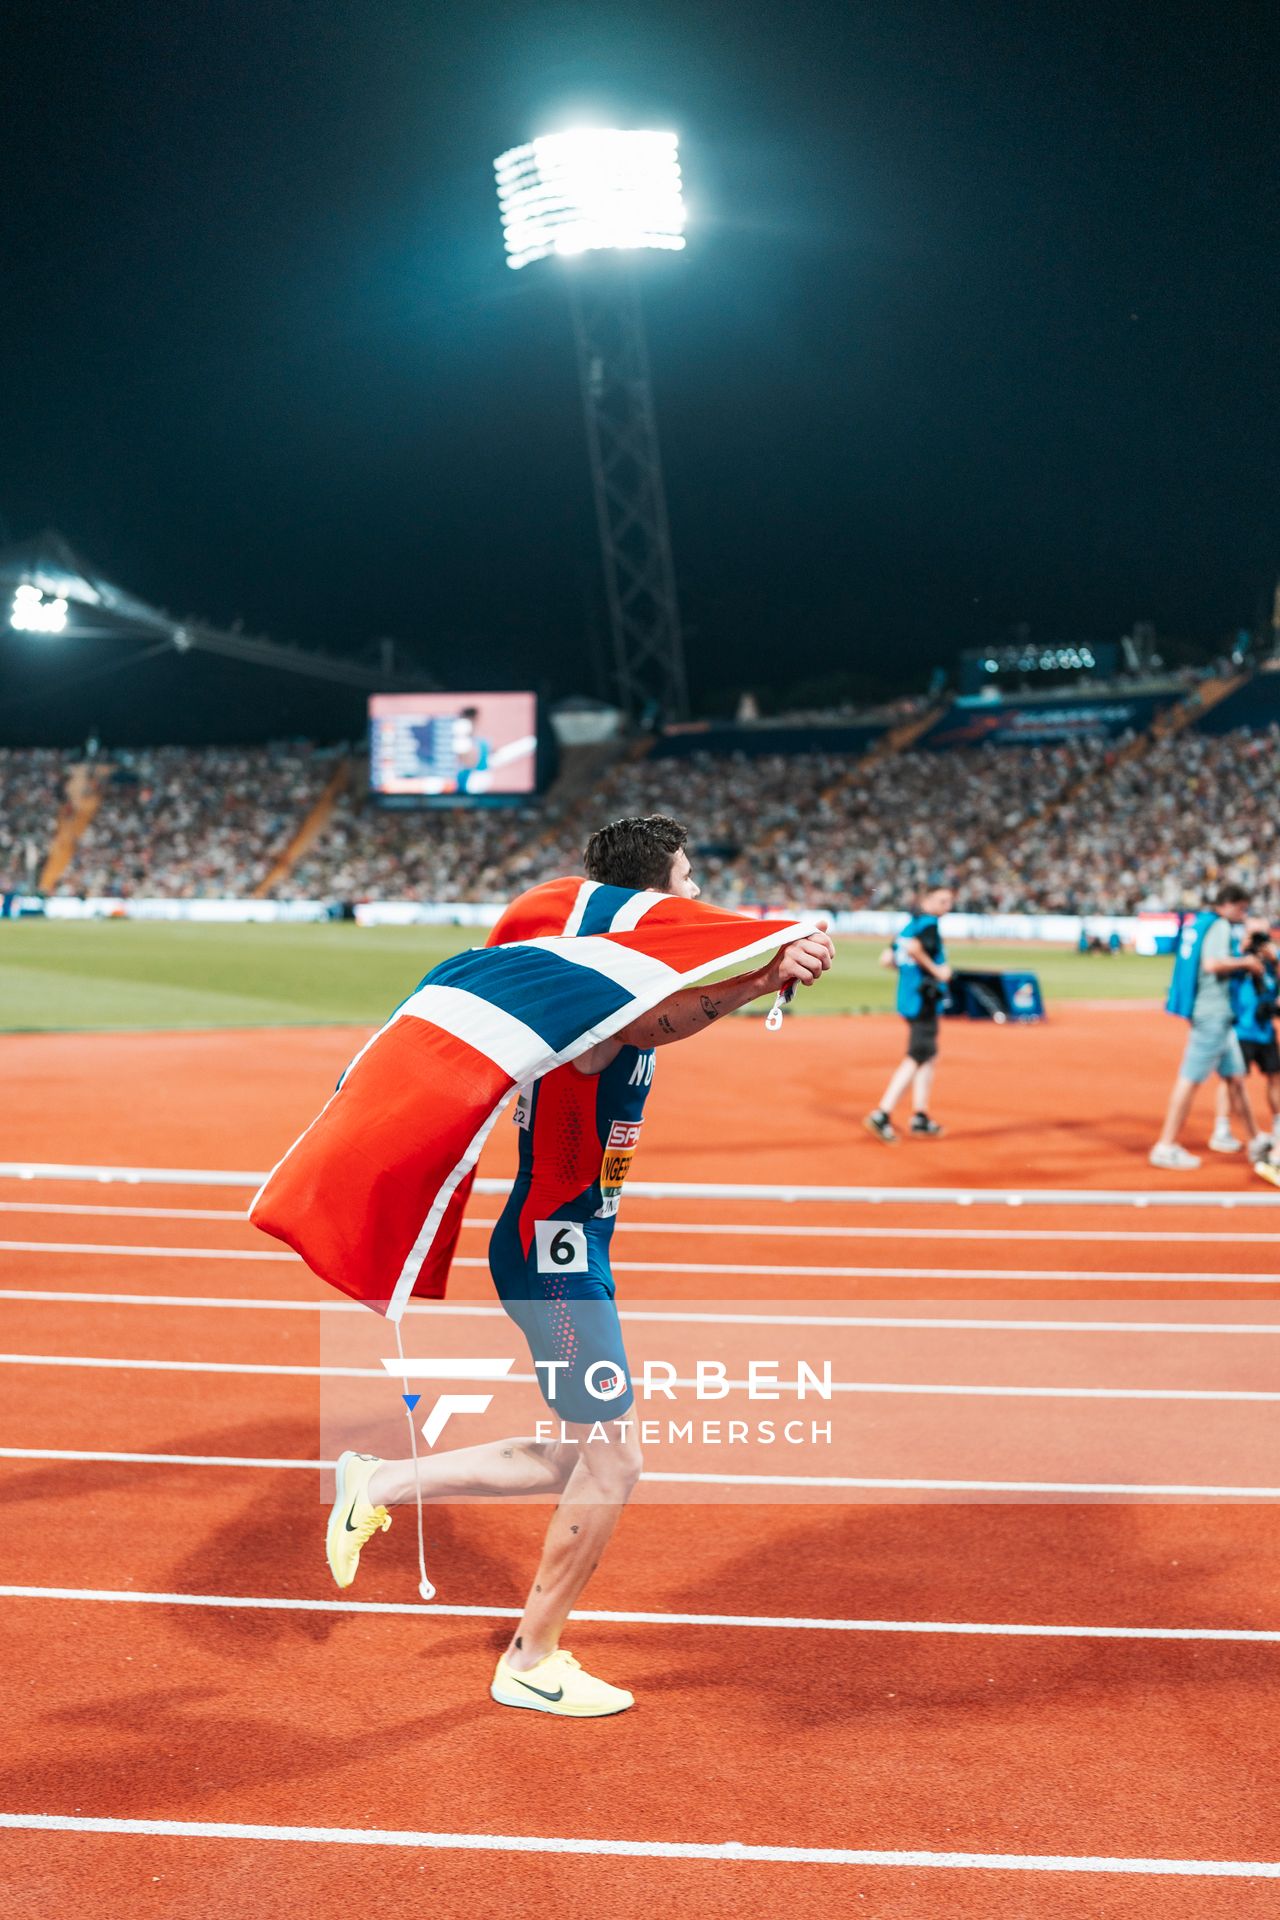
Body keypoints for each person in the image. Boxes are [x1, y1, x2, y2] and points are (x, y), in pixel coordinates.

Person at [323, 814, 835, 1717]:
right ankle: (531, 1656)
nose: (691, 896)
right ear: (649, 896)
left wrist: (764, 964)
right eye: (682, 880)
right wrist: (758, 976)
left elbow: (669, 1007)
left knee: (577, 1452)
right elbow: (652, 1025)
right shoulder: (592, 1001)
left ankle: (383, 1481)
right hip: (554, 1254)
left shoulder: (599, 978)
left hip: (565, 1245)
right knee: (616, 1459)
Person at [1150, 884, 1263, 1172]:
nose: (1244, 914)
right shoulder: (1220, 926)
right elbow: (1212, 964)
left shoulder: (1200, 923)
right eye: (1242, 908)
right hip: (1212, 1014)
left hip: (1217, 1015)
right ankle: (1165, 1146)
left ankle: (1255, 1141)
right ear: (1230, 904)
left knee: (1236, 1079)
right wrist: (1246, 962)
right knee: (1190, 1080)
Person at [864, 883, 955, 1143]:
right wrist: (938, 972)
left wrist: (909, 971)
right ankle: (881, 1114)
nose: (947, 907)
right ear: (926, 900)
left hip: (908, 998)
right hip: (923, 1000)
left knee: (930, 1055)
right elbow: (916, 950)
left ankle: (920, 1117)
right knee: (918, 1054)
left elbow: (886, 959)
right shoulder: (928, 925)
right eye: (942, 901)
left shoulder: (908, 925)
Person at [1207, 918, 1279, 1160]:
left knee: (1275, 1078)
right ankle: (1221, 1129)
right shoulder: (1236, 960)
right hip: (1240, 1031)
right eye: (1253, 935)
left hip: (1265, 1030)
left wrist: (1274, 960)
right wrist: (1244, 959)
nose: (1257, 941)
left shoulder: (1271, 964)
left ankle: (1277, 1129)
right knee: (1231, 1081)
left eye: (1262, 936)